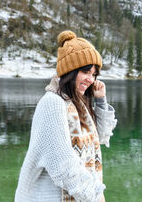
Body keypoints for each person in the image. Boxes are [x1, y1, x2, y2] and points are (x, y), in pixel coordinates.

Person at [15, 30, 117, 202]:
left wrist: (100, 100)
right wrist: (97, 196)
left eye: (94, 74)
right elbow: (62, 165)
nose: (90, 79)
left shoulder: (78, 105)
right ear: (70, 71)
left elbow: (100, 138)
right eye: (85, 72)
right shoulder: (53, 103)